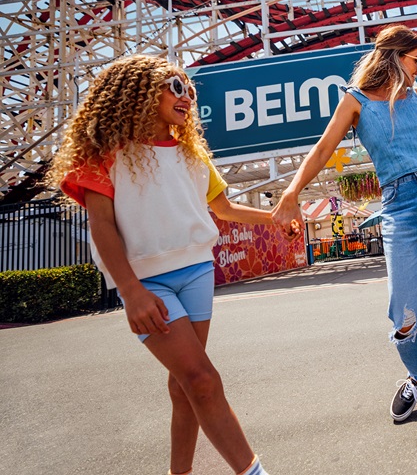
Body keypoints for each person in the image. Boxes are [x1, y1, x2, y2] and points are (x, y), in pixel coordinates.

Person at [46, 55, 280, 475]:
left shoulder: (193, 154)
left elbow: (223, 209)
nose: (186, 95)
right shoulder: (104, 152)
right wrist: (131, 290)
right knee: (202, 381)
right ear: (136, 91)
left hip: (197, 273)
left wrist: (277, 217)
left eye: (189, 88)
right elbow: (101, 225)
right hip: (146, 283)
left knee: (184, 385)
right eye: (175, 85)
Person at [272, 24, 417, 458]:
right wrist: (291, 192)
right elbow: (323, 148)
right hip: (400, 207)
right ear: (393, 55)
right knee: (405, 321)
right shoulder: (356, 100)